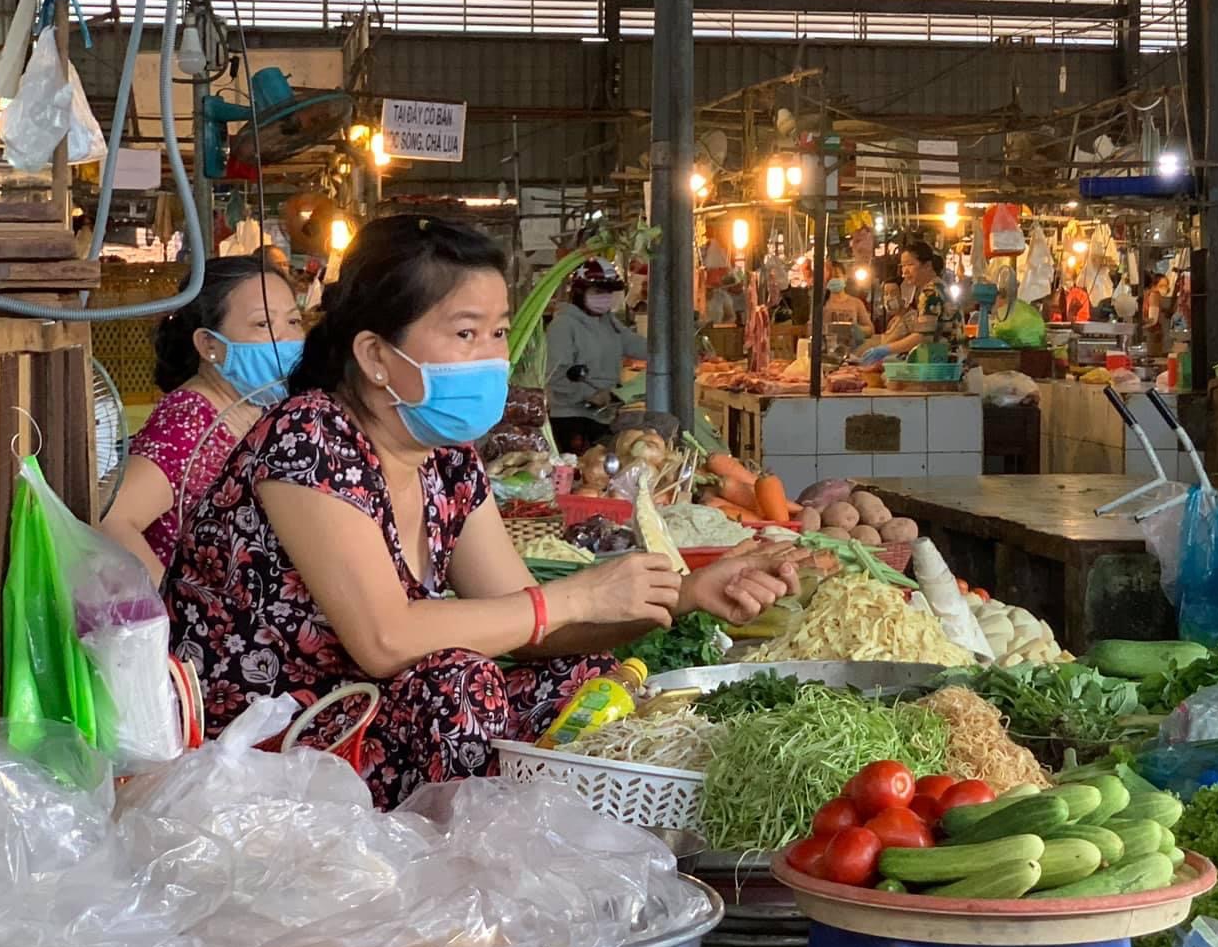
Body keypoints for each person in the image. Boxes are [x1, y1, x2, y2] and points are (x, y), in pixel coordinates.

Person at [163, 216, 799, 810]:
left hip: (372, 719)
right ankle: (460, 883)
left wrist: (681, 594)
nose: (493, 355)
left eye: (498, 332)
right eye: (466, 332)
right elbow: (386, 640)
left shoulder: (445, 460)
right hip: (265, 744)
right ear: (377, 355)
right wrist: (573, 597)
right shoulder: (309, 438)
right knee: (457, 684)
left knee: (585, 680)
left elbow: (529, 622)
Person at [104, 254, 303, 583]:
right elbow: (110, 515)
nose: (286, 339)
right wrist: (172, 611)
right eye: (263, 324)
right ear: (209, 344)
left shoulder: (260, 408)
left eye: (294, 322)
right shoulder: (189, 421)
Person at [546, 259, 645, 454]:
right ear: (579, 293)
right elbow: (555, 375)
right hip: (573, 419)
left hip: (605, 415)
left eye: (608, 293)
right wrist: (588, 395)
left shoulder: (608, 322)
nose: (604, 298)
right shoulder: (563, 326)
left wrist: (669, 351)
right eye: (598, 292)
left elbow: (633, 343)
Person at [864, 240, 947, 357]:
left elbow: (922, 336)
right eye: (903, 266)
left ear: (927, 265)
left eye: (910, 264)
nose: (905, 272)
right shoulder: (940, 286)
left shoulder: (930, 292)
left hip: (943, 364)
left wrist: (885, 349)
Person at [820, 269, 875, 337]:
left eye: (837, 276)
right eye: (830, 277)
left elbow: (870, 330)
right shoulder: (820, 305)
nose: (833, 280)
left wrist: (852, 330)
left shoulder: (856, 303)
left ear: (845, 277)